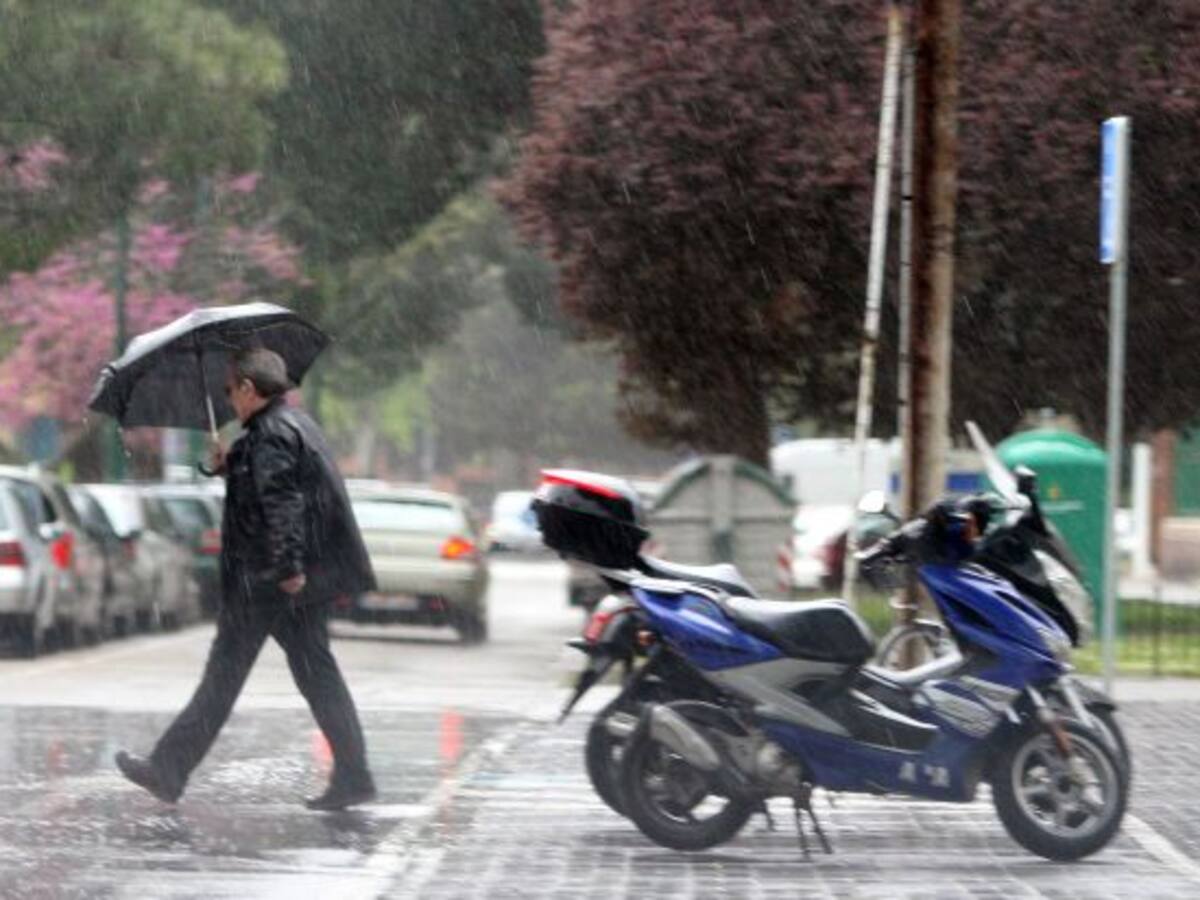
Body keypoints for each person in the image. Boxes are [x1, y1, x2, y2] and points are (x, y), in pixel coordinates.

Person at [115, 348, 377, 811]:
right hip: (291, 579)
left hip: (267, 581)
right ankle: (355, 776)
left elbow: (283, 503)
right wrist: (229, 466)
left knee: (225, 675)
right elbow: (274, 489)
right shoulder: (291, 425)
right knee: (317, 675)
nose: (229, 400)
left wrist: (289, 567)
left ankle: (167, 769)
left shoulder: (270, 435)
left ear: (250, 390)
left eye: (231, 391)